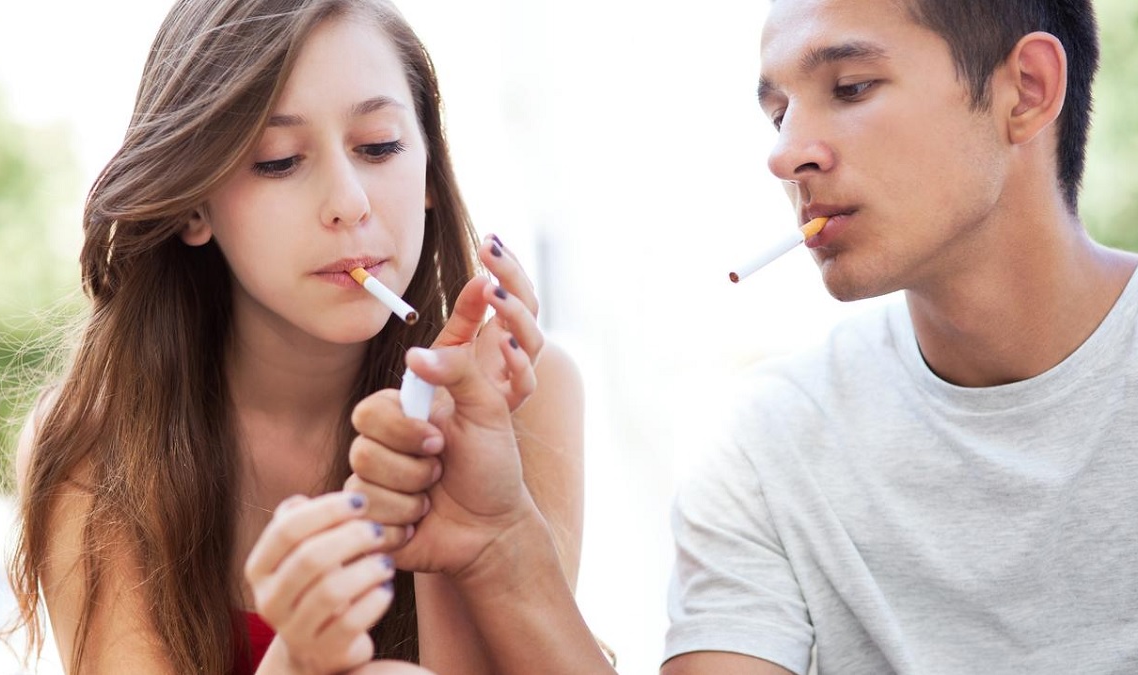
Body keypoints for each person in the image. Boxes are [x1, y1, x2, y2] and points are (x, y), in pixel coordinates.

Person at [350, 0, 1138, 673]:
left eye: (851, 87)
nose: (785, 154)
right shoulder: (769, 445)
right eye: (779, 113)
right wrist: (500, 541)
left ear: (1028, 90)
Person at [4, 1, 585, 674]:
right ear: (193, 205)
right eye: (279, 161)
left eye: (379, 147)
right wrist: (296, 661)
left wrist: (454, 521)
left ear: (429, 168)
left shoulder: (521, 389)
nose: (348, 202)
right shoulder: (98, 439)